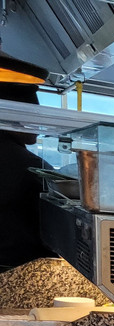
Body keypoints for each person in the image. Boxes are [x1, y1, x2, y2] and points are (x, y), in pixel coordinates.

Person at [0, 82, 54, 271]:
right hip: (17, 272)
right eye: (32, 116)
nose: (37, 125)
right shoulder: (32, 167)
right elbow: (53, 236)